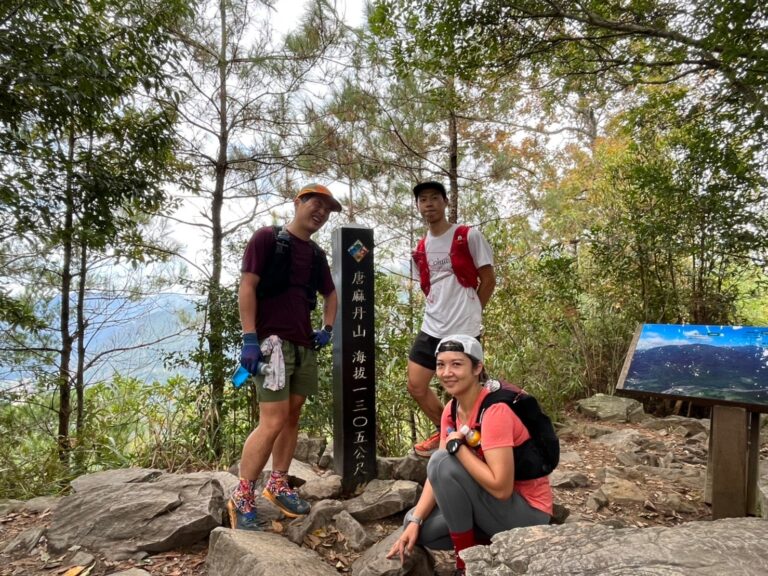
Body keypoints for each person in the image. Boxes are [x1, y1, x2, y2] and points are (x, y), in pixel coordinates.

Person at [387, 335, 553, 575]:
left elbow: (501, 489)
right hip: (490, 506)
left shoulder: (494, 412)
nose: (446, 373)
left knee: (442, 460)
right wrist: (415, 521)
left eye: (456, 364)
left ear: (477, 368)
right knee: (417, 525)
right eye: (441, 365)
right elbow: (437, 475)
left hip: (527, 514)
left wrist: (459, 449)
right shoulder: (451, 410)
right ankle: (484, 542)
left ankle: (466, 564)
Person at [228, 183, 341, 530]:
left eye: (327, 209)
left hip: (303, 344)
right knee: (273, 419)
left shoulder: (316, 255)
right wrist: (250, 337)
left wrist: (326, 329)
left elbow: (330, 294)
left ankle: (277, 483)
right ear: (298, 202)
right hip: (272, 344)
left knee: (292, 416)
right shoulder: (267, 238)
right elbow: (247, 285)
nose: (321, 212)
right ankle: (242, 495)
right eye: (315, 203)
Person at [409, 181, 496, 457]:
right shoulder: (420, 248)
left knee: (465, 388)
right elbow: (428, 287)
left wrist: (473, 311)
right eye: (423, 200)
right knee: (416, 385)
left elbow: (488, 279)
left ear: (445, 202)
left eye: (435, 198)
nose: (429, 204)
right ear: (418, 207)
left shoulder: (467, 236)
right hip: (431, 325)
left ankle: (479, 441)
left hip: (463, 327)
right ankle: (445, 430)